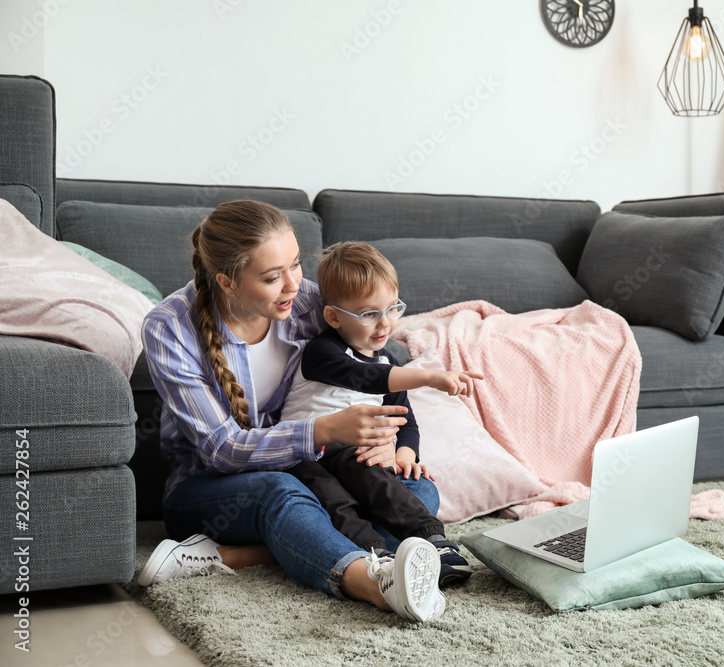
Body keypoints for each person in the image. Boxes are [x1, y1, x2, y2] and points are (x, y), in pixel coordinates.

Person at [136, 200, 445, 622]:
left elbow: (375, 356)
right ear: (227, 282)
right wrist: (323, 430)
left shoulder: (312, 304)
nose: (293, 285)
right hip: (211, 488)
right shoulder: (169, 327)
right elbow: (223, 450)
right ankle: (373, 583)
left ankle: (241, 555)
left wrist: (392, 447)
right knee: (283, 491)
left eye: (296, 265)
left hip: (318, 473)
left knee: (416, 490)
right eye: (271, 277)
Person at [280, 242, 483, 587]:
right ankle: (378, 561)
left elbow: (406, 420)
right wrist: (430, 377)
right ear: (333, 317)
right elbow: (365, 377)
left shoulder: (388, 360)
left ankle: (431, 543)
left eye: (393, 309)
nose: (384, 324)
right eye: (369, 314)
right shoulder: (322, 351)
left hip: (356, 454)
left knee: (408, 485)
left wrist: (403, 454)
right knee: (336, 502)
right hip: (305, 455)